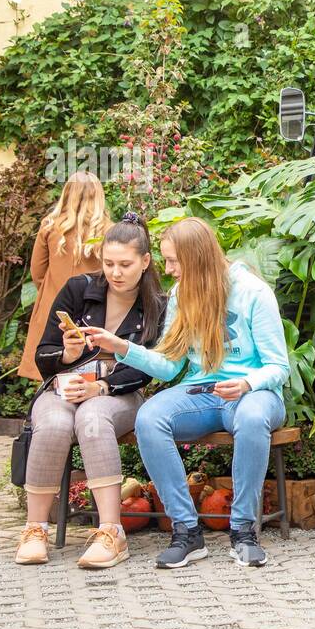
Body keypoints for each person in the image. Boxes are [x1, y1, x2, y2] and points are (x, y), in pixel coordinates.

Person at [86, 217, 290, 569]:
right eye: (166, 260)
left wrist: (246, 384)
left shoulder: (254, 292)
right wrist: (122, 346)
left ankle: (243, 530)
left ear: (196, 257)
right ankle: (186, 530)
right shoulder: (183, 295)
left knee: (253, 417)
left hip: (253, 394)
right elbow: (168, 366)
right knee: (149, 418)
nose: (169, 270)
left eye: (174, 261)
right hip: (202, 392)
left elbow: (278, 366)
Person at [15, 213, 166, 568]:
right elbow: (43, 355)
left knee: (94, 419)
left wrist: (102, 385)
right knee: (52, 425)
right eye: (109, 263)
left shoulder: (156, 304)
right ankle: (35, 528)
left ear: (144, 262)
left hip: (119, 393)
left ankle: (112, 531)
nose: (115, 272)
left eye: (125, 264)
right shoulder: (78, 289)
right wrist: (66, 355)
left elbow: (150, 366)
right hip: (64, 388)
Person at [20, 171, 109, 381]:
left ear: (67, 194)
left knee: (48, 366)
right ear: (98, 197)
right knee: (87, 372)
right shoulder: (108, 231)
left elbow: (38, 272)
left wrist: (53, 290)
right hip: (91, 310)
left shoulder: (50, 227)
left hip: (54, 306)